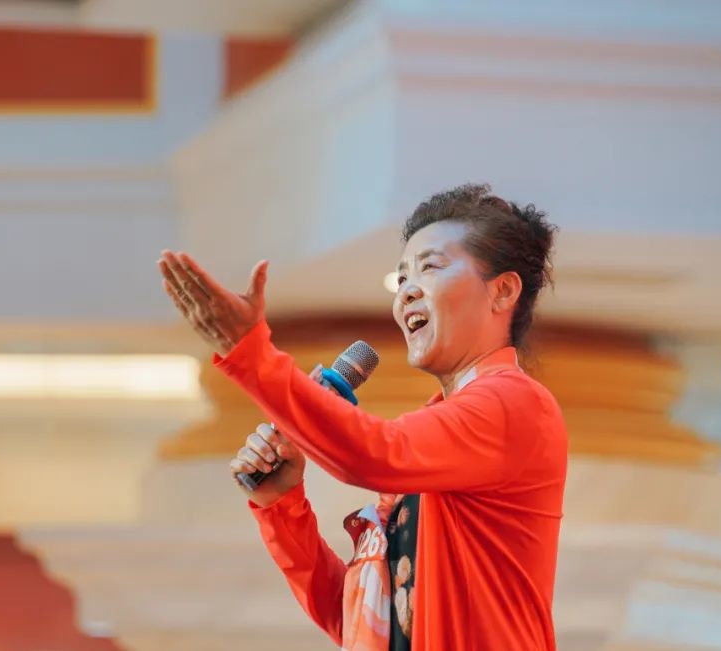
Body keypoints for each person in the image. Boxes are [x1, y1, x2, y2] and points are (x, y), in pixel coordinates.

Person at [158, 183, 567, 651]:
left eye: (430, 267)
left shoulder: (514, 402)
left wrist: (251, 355)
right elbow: (359, 618)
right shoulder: (439, 433)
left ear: (503, 291)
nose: (407, 291)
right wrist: (282, 507)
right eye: (402, 277)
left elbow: (376, 452)